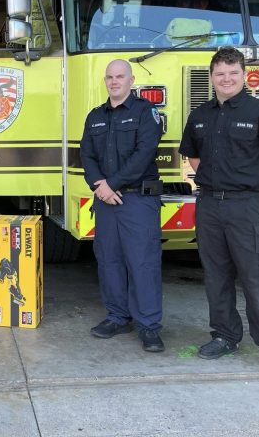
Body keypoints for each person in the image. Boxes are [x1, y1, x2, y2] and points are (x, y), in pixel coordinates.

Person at [179, 46, 259, 384]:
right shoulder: (200, 115)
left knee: (258, 279)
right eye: (220, 73)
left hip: (247, 205)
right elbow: (194, 157)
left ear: (243, 75)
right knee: (216, 276)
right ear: (211, 77)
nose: (226, 79)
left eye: (232, 73)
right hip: (210, 206)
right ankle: (225, 336)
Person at [80, 59, 165, 352]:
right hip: (106, 200)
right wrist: (99, 186)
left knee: (142, 262)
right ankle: (117, 317)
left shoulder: (146, 113)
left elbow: (144, 154)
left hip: (137, 199)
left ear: (131, 80)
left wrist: (111, 184)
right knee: (109, 260)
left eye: (119, 77)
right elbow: (86, 156)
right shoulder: (94, 117)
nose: (114, 82)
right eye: (109, 78)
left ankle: (149, 326)